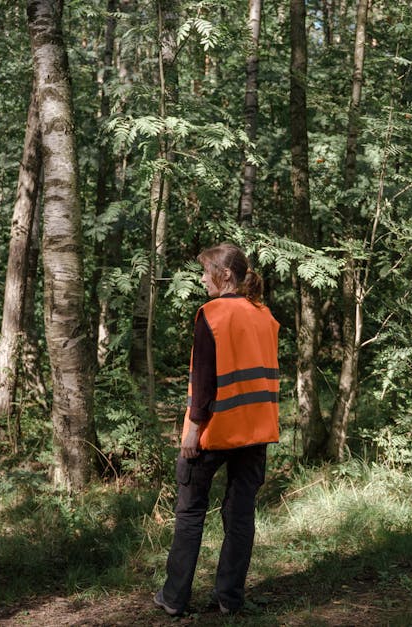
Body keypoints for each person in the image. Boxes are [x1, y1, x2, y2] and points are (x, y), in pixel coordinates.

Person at [154, 243, 280, 616]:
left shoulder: (211, 315)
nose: (201, 279)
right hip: (256, 431)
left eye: (205, 271)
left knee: (190, 512)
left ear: (225, 276)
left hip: (215, 429)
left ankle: (174, 598)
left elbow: (204, 381)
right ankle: (229, 599)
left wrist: (192, 432)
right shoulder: (265, 314)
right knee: (240, 516)